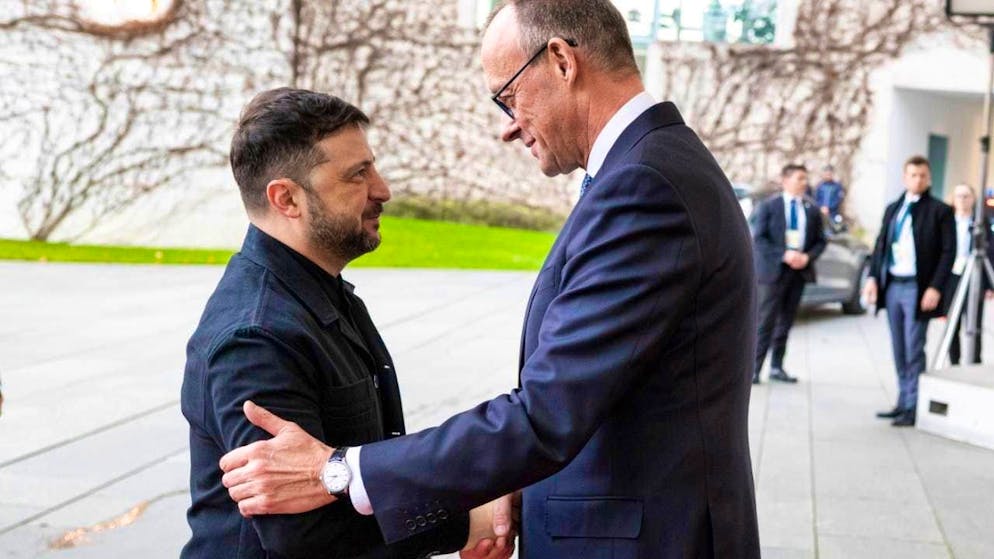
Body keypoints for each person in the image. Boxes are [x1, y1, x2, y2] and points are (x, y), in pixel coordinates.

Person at [219, 1, 761, 557]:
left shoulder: (643, 186)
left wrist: (339, 471)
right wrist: (512, 485)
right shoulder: (650, 167)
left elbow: (549, 412)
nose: (508, 126)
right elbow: (611, 391)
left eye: (508, 96)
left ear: (560, 61)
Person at [179, 88, 511, 559]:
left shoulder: (317, 290)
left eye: (371, 166)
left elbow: (358, 470)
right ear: (287, 198)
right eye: (357, 175)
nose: (383, 190)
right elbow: (304, 537)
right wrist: (470, 520)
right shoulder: (257, 337)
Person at [864, 155, 955, 427]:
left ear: (929, 178)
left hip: (918, 287)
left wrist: (935, 288)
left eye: (923, 176)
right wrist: (871, 278)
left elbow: (948, 252)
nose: (918, 180)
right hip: (893, 284)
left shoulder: (939, 211)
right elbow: (881, 245)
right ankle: (903, 401)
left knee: (914, 348)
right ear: (905, 177)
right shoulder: (894, 208)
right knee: (899, 347)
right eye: (913, 175)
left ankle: (913, 406)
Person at [751, 164, 827, 384]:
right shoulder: (769, 206)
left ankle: (777, 367)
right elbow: (760, 239)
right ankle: (754, 369)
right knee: (765, 321)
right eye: (799, 178)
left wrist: (807, 257)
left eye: (806, 178)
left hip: (798, 274)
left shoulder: (811, 209)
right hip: (773, 273)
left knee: (786, 322)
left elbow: (821, 241)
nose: (804, 183)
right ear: (785, 180)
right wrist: (784, 254)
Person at [943, 183, 994, 365]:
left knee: (974, 324)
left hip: (975, 277)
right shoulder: (947, 222)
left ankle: (974, 362)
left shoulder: (981, 223)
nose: (963, 200)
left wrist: (989, 285)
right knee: (952, 325)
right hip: (952, 278)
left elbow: (990, 253)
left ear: (973, 199)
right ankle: (954, 362)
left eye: (966, 196)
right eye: (959, 196)